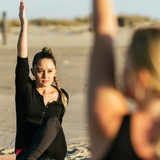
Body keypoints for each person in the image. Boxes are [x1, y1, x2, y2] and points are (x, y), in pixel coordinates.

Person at [88, 0, 160, 160]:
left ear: (141, 79)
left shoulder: (110, 126)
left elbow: (103, 30)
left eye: (127, 62)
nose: (123, 70)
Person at [15, 1, 69, 160]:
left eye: (49, 71)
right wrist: (24, 26)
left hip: (54, 151)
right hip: (26, 151)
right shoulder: (25, 89)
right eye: (40, 71)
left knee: (53, 122)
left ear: (55, 72)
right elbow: (22, 58)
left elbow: (55, 130)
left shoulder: (62, 96)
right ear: (32, 72)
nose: (45, 75)